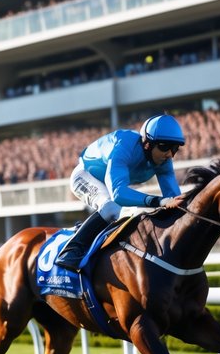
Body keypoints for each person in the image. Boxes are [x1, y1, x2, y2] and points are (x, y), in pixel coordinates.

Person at [54, 113, 186, 271]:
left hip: (113, 183)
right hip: (85, 176)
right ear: (147, 144)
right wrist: (158, 201)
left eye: (175, 149)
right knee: (111, 208)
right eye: (164, 147)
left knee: (135, 212)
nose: (170, 154)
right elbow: (119, 194)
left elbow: (174, 200)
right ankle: (70, 251)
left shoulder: (164, 162)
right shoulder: (124, 145)